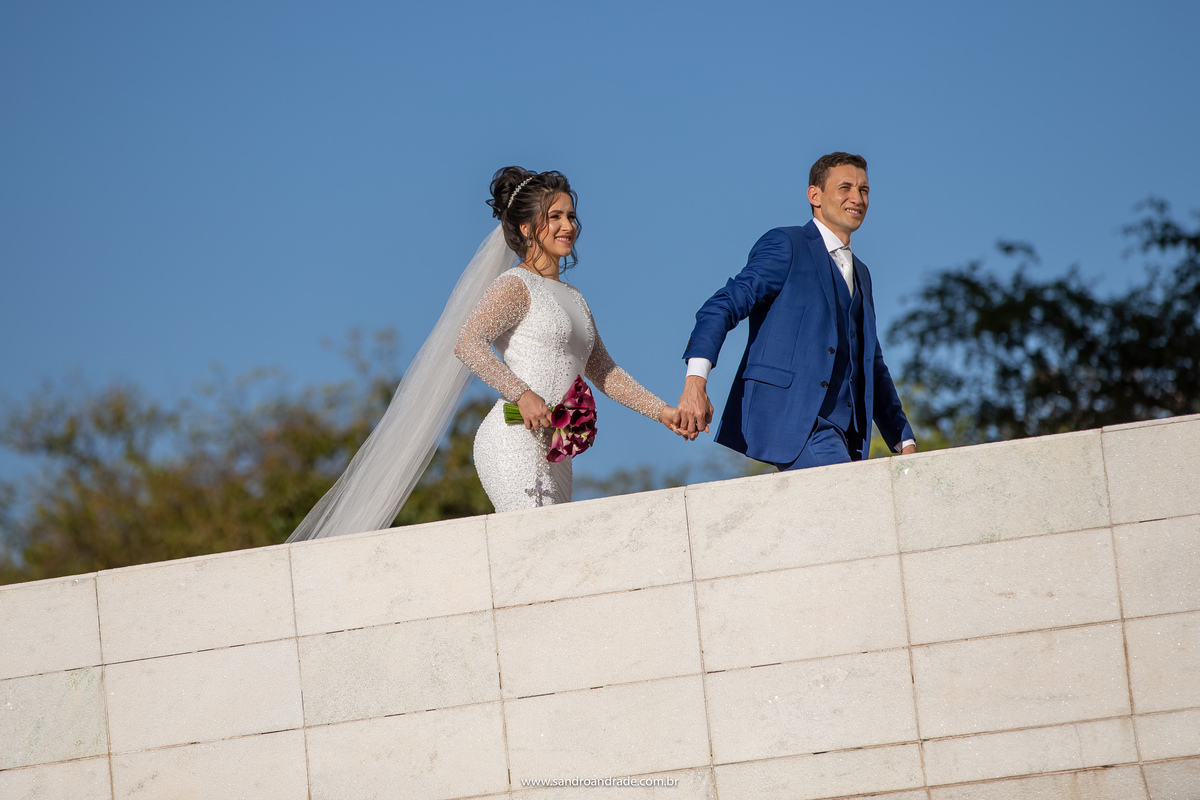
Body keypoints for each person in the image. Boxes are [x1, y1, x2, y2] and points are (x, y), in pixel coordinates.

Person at [455, 167, 683, 510]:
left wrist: (664, 412)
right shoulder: (514, 285)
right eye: (555, 216)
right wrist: (522, 394)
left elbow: (604, 370)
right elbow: (467, 343)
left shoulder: (575, 297)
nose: (568, 226)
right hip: (512, 439)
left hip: (558, 449)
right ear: (527, 228)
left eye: (571, 216)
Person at [676, 152, 916, 470]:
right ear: (814, 195)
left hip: (847, 434)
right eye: (845, 187)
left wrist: (904, 441)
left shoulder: (862, 273)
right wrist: (695, 382)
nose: (856, 198)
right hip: (796, 420)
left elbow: (870, 361)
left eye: (864, 190)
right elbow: (721, 307)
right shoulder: (787, 245)